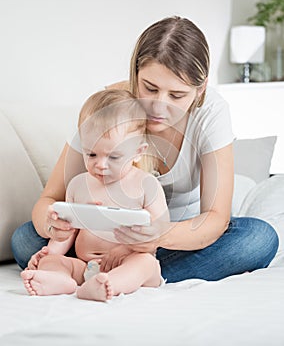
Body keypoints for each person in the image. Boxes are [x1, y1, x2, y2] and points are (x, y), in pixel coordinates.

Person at [12, 16, 279, 282]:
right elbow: (48, 199)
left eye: (176, 95)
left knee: (258, 238)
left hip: (177, 239)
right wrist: (54, 225)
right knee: (25, 239)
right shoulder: (107, 107)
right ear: (135, 74)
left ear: (201, 89)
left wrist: (156, 235)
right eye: (149, 88)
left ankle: (107, 272)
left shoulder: (211, 113)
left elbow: (216, 219)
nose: (159, 107)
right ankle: (125, 274)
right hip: (101, 243)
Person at [21, 89, 169, 301]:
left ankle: (112, 284)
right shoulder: (78, 185)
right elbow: (68, 232)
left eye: (114, 156)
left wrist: (127, 247)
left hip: (128, 260)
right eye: (91, 154)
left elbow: (159, 233)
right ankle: (58, 279)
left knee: (145, 264)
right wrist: (51, 250)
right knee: (52, 261)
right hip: (85, 266)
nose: (100, 165)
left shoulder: (147, 185)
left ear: (138, 152)